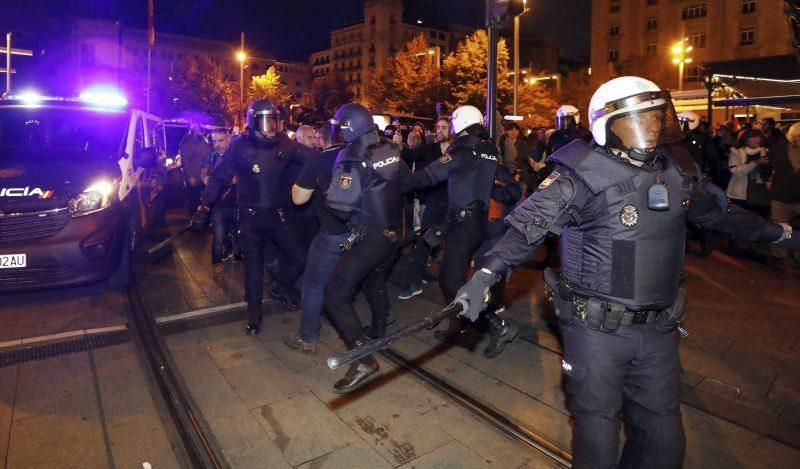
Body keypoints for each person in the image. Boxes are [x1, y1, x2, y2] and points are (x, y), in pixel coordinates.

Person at [453, 76, 800, 468]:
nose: (651, 128)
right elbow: (526, 231)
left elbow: (723, 215)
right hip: (596, 334)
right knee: (597, 442)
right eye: (639, 119)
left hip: (658, 332)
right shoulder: (579, 175)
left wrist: (786, 234)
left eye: (656, 118)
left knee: (665, 446)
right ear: (607, 126)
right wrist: (485, 276)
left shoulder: (677, 170)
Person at [404, 105, 517, 357]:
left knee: (451, 280)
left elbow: (432, 174)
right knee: (455, 278)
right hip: (474, 220)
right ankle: (458, 325)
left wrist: (399, 180)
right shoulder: (487, 148)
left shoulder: (464, 148)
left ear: (458, 123)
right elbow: (503, 182)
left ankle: (497, 326)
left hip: (464, 223)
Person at [196, 99, 312, 335]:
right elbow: (218, 177)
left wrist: (339, 159)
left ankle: (281, 287)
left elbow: (312, 159)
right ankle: (254, 316)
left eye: (275, 122)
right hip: (250, 216)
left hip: (277, 213)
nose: (272, 128)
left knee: (299, 257)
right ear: (253, 122)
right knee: (254, 268)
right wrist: (204, 207)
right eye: (266, 122)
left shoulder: (284, 143)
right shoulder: (239, 146)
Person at [322, 103, 410, 394]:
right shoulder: (388, 147)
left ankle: (362, 359)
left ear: (348, 127)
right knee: (374, 278)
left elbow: (341, 206)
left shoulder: (351, 156)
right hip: (393, 232)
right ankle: (379, 328)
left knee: (335, 295)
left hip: (370, 235)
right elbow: (406, 182)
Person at [283, 131, 347, 354]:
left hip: (332, 233)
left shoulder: (320, 160)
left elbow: (298, 198)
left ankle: (307, 337)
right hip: (364, 231)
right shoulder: (362, 155)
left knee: (312, 285)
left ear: (322, 139)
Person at [397, 117, 452, 300]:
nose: (439, 131)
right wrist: (399, 146)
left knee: (454, 247)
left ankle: (454, 287)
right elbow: (412, 155)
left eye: (443, 127)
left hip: (455, 204)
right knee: (423, 243)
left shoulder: (459, 151)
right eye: (437, 128)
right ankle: (415, 283)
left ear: (451, 129)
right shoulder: (431, 149)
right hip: (435, 203)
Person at [200, 128, 238, 275]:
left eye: (221, 140)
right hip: (218, 203)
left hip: (235, 201)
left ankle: (230, 251)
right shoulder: (211, 154)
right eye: (214, 141)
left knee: (231, 230)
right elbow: (203, 169)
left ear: (229, 139)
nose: (217, 144)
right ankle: (216, 263)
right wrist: (205, 178)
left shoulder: (236, 155)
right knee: (219, 234)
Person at [726, 128, 772, 218]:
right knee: (742, 220)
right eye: (754, 137)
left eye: (759, 137)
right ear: (745, 139)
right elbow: (735, 171)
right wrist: (755, 163)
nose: (757, 139)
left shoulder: (765, 151)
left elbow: (769, 172)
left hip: (760, 192)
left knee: (762, 219)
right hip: (740, 192)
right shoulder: (736, 151)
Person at [180, 123, 210, 216]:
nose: (199, 131)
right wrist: (190, 176)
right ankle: (193, 219)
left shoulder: (203, 142)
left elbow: (208, 156)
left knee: (206, 198)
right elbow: (185, 162)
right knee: (194, 198)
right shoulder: (186, 144)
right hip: (194, 175)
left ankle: (204, 219)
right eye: (196, 129)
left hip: (203, 175)